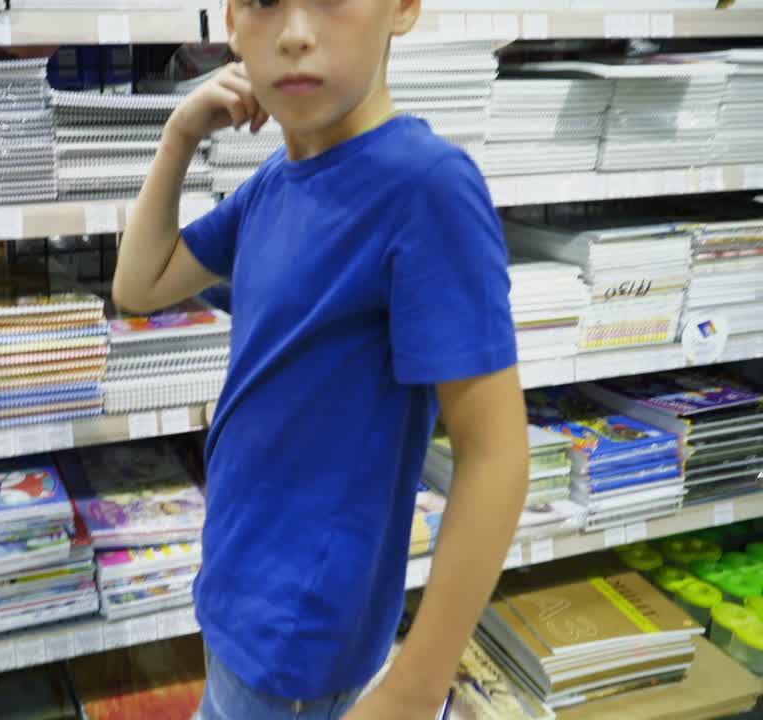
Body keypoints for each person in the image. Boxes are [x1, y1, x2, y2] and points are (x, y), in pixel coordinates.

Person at [112, 1, 531, 718]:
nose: (296, 33)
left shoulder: (425, 188)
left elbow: (495, 454)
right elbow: (138, 286)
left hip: (298, 635)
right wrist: (180, 135)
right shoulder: (276, 183)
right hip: (238, 591)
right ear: (231, 22)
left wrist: (414, 689)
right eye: (266, 3)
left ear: (400, 9)